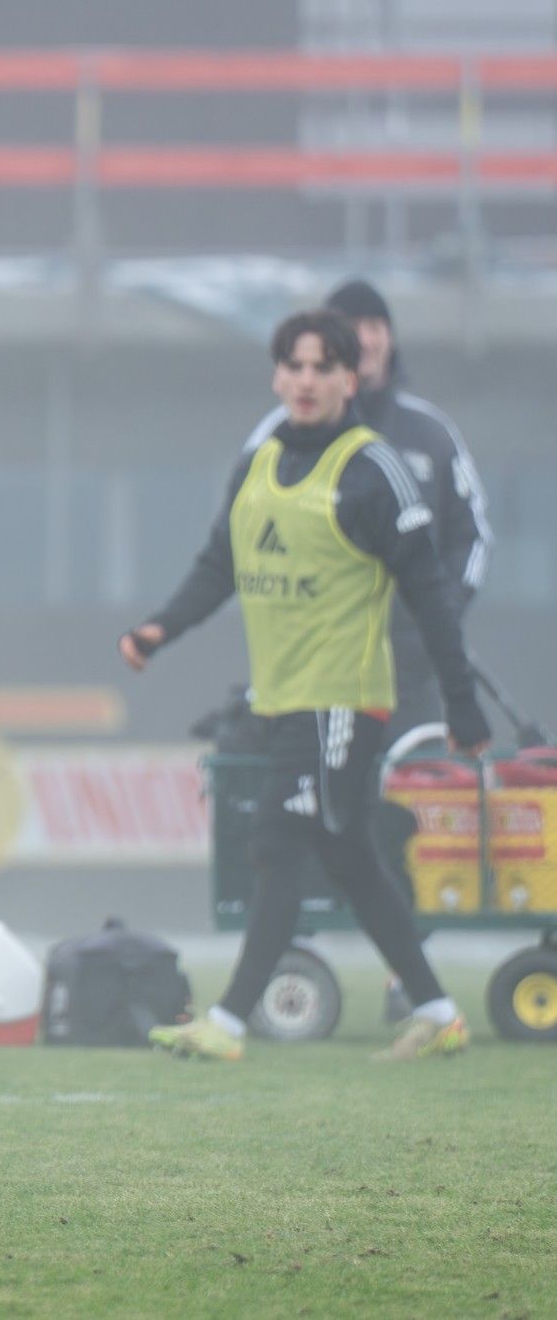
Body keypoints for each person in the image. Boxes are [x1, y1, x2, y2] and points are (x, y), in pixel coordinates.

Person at [120, 308, 490, 1062]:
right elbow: (218, 562)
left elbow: (430, 593)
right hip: (283, 697)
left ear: (351, 378)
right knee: (347, 852)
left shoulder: (371, 467)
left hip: (342, 698)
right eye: (294, 364)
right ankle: (440, 1010)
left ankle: (224, 1023)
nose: (307, 380)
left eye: (324, 366)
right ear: (276, 374)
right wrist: (162, 627)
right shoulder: (258, 464)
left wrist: (461, 703)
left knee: (276, 840)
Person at [242, 278, 493, 744]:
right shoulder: (276, 437)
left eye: (377, 324)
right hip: (310, 679)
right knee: (322, 814)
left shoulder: (431, 433)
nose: (367, 337)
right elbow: (240, 542)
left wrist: (442, 612)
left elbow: (473, 535)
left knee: (412, 809)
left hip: (411, 679)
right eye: (353, 326)